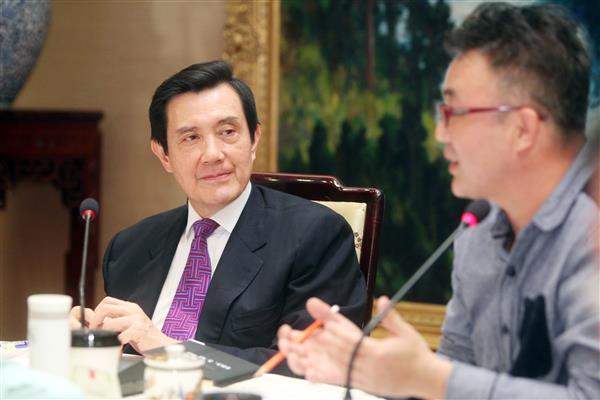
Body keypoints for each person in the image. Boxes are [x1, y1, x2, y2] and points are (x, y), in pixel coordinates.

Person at [278, 2, 600, 398]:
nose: (439, 134)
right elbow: (452, 377)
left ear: (522, 128)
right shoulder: (478, 235)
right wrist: (365, 373)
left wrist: (428, 377)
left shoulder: (591, 235)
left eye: (454, 112)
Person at [70, 61, 367, 369]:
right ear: (163, 155)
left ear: (254, 139)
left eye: (228, 132)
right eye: (191, 138)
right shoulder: (128, 248)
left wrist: (170, 350)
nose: (213, 154)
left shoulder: (315, 235)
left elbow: (318, 359)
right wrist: (86, 338)